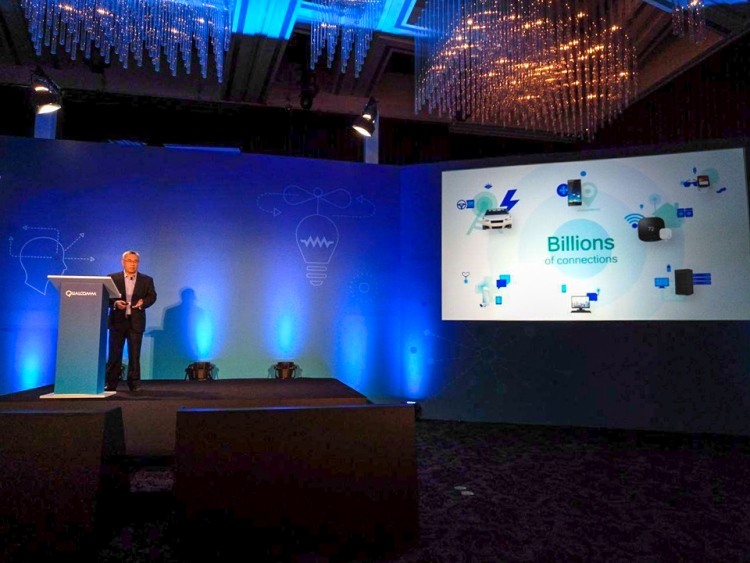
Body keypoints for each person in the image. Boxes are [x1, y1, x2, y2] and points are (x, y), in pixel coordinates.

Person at [105, 250, 157, 392]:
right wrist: (115, 304)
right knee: (114, 354)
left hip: (136, 321)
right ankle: (111, 383)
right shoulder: (112, 278)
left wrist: (143, 303)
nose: (132, 264)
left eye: (135, 261)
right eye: (129, 261)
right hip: (117, 321)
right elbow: (105, 297)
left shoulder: (146, 280)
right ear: (123, 262)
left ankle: (134, 384)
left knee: (134, 355)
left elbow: (152, 296)